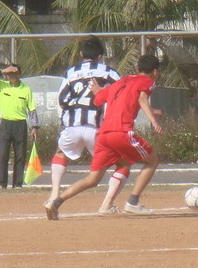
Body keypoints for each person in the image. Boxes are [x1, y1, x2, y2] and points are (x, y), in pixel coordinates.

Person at [44, 54, 163, 220]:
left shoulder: (122, 82)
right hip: (122, 132)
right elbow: (142, 98)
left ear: (137, 69)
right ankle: (133, 202)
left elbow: (99, 99)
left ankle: (55, 203)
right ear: (155, 72)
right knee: (153, 160)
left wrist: (98, 91)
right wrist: (153, 120)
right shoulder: (148, 81)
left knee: (92, 179)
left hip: (103, 135)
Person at [47, 37, 130, 215]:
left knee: (60, 153)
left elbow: (62, 100)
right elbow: (122, 95)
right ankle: (107, 204)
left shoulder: (71, 72)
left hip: (72, 126)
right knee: (123, 163)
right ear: (100, 56)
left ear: (81, 53)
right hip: (97, 129)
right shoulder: (108, 72)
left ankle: (54, 194)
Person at [0, 63, 38, 189]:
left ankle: (17, 184)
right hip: (6, 124)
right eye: (9, 74)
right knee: (3, 154)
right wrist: (2, 71)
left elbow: (31, 109)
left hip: (20, 124)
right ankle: (1, 183)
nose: (12, 76)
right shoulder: (1, 85)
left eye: (14, 73)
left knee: (20, 155)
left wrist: (34, 127)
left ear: (19, 74)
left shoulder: (26, 89)